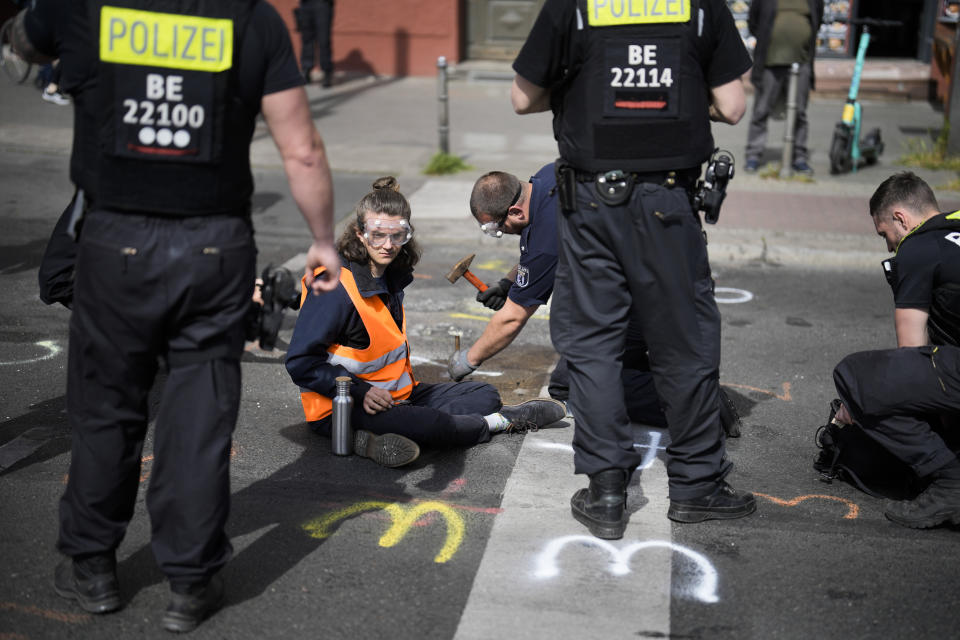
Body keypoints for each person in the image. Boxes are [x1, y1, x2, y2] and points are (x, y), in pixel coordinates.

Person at [11, 0, 341, 632]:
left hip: (113, 246)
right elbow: (301, 149)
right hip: (213, 251)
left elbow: (24, 41)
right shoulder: (252, 19)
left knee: (106, 409)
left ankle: (93, 569)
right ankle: (190, 583)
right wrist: (322, 239)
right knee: (197, 416)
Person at [510, 0, 757, 539]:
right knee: (683, 346)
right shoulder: (699, 8)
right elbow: (734, 106)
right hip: (668, 202)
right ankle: (697, 488)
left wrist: (583, 94)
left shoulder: (574, 8)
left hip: (590, 205)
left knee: (594, 345)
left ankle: (605, 493)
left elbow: (522, 97)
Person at [286, 177, 567, 468]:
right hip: (341, 407)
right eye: (377, 235)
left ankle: (399, 432)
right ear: (359, 234)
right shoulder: (335, 287)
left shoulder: (389, 275)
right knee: (433, 425)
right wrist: (361, 391)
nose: (388, 245)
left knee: (484, 395)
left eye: (398, 236)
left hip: (397, 396)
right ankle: (500, 423)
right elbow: (300, 362)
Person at [448, 165, 743, 435]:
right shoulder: (548, 178)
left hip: (657, 301)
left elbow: (512, 318)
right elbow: (539, 251)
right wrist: (507, 283)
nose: (500, 234)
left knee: (579, 389)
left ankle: (699, 402)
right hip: (671, 277)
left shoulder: (546, 237)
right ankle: (669, 380)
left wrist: (468, 360)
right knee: (566, 380)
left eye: (497, 228)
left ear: (515, 212)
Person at [831, 172, 960, 529]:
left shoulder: (918, 248)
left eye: (885, 234)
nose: (889, 246)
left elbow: (912, 358)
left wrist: (862, 404)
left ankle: (952, 482)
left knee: (856, 378)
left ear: (901, 218)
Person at [744, 0, 824, 175]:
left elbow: (817, 21)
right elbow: (753, 22)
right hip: (770, 62)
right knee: (761, 111)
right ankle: (753, 155)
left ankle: (799, 157)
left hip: (801, 62)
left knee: (800, 113)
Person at [297, 0, 334, 87]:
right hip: (305, 4)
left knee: (324, 39)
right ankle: (306, 70)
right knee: (306, 39)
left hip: (323, 3)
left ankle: (326, 72)